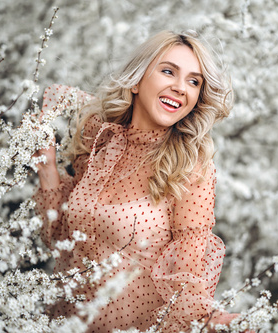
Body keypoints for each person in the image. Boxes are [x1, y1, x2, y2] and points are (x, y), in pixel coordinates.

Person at [33, 30, 238, 332]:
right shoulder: (99, 137)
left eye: (194, 81)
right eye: (168, 71)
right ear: (137, 79)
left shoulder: (191, 169)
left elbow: (187, 282)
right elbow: (63, 238)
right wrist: (47, 168)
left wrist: (218, 321)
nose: (181, 88)